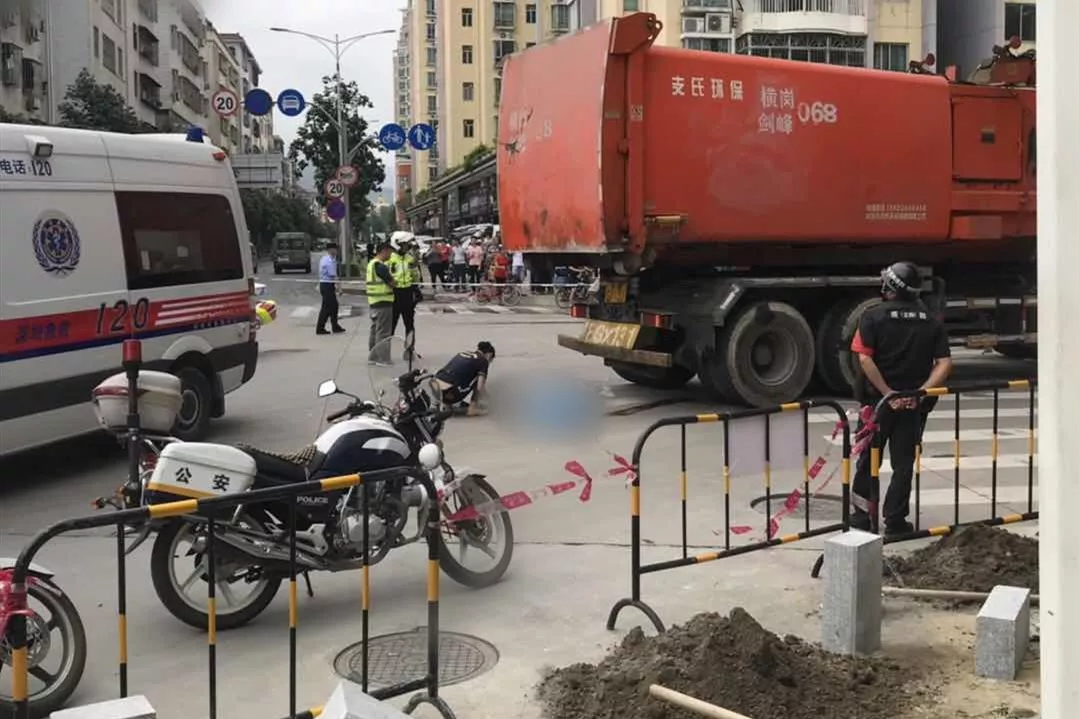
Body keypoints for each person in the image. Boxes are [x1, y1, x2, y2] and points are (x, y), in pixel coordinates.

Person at [849, 260, 953, 535]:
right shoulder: (931, 321)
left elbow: (865, 358)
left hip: (877, 404)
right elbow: (944, 363)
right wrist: (920, 393)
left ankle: (861, 519)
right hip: (912, 406)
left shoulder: (872, 316)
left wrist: (887, 394)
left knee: (867, 460)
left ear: (890, 287)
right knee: (904, 463)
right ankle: (895, 522)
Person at [434, 341, 496, 416]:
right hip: (450, 393)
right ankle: (472, 408)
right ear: (489, 355)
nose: (489, 363)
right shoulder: (483, 361)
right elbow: (480, 387)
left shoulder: (463, 353)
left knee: (456, 375)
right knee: (478, 378)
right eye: (490, 360)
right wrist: (488, 398)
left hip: (435, 388)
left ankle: (447, 404)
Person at [389, 239, 421, 357]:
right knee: (391, 325)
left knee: (409, 324)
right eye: (405, 246)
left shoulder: (410, 259)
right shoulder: (390, 259)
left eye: (408, 246)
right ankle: (384, 351)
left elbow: (415, 276)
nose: (407, 248)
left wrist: (415, 269)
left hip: (407, 293)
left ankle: (409, 350)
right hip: (395, 293)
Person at [366, 242, 396, 365]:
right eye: (390, 252)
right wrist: (395, 281)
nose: (390, 255)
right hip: (383, 302)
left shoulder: (371, 264)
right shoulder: (380, 266)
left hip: (373, 302)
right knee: (383, 332)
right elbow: (392, 283)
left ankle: (373, 357)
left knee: (375, 330)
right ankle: (383, 359)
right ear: (384, 251)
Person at [316, 242, 346, 335]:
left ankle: (334, 326)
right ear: (330, 250)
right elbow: (334, 276)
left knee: (331, 306)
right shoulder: (329, 261)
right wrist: (339, 288)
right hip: (327, 285)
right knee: (329, 307)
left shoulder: (325, 258)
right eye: (335, 249)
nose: (336, 251)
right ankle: (321, 328)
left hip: (325, 285)